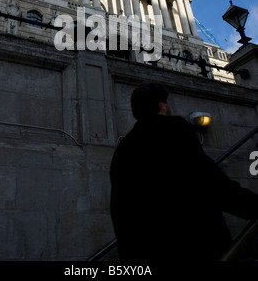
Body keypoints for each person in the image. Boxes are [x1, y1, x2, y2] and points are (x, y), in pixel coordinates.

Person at [110, 82, 258, 262]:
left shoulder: (123, 149)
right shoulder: (173, 129)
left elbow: (119, 209)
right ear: (161, 105)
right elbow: (211, 182)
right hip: (192, 247)